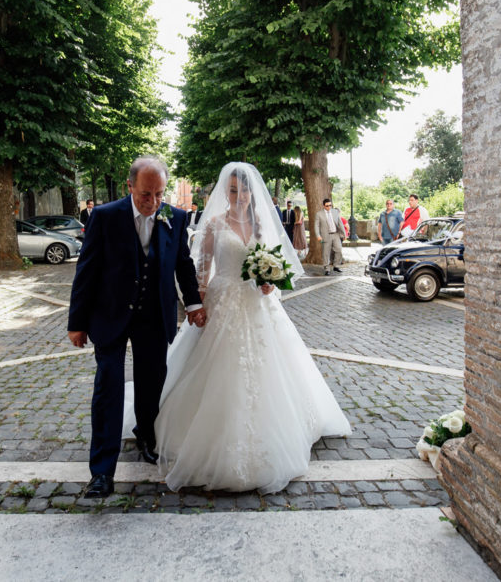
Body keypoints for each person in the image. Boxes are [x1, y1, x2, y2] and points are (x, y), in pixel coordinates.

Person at [154, 163, 351, 493]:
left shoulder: (261, 225)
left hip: (258, 304)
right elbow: (201, 269)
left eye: (244, 190)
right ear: (225, 193)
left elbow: (273, 263)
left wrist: (270, 283)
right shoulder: (215, 225)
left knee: (272, 366)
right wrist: (197, 305)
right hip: (223, 300)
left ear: (251, 192)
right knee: (216, 367)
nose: (240, 196)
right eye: (233, 190)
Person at [67, 157, 207, 499]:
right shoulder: (105, 217)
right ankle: (101, 471)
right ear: (130, 186)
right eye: (147, 194)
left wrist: (193, 303)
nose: (154, 201)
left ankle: (146, 435)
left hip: (153, 316)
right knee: (108, 388)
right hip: (110, 314)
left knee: (151, 383)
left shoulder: (174, 216)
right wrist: (77, 322)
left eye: (160, 194)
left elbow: (183, 265)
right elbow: (86, 271)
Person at [315, 198, 345, 275]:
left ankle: (336, 266)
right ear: (324, 206)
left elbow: (340, 223)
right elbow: (316, 226)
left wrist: (344, 234)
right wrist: (318, 235)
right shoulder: (319, 214)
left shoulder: (335, 212)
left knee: (339, 250)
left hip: (336, 234)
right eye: (327, 206)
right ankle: (327, 269)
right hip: (326, 235)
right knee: (326, 253)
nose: (329, 207)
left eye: (330, 205)